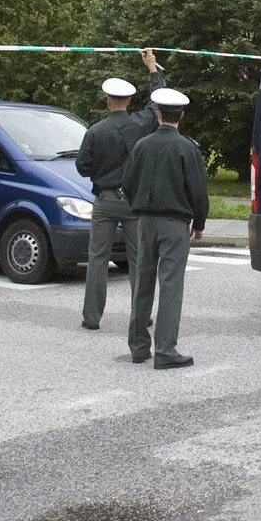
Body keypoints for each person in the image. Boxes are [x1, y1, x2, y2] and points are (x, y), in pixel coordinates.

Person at [74, 48, 164, 331]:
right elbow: (157, 102)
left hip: (104, 200)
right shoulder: (140, 123)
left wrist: (101, 172)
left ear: (107, 101)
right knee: (139, 261)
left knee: (98, 259)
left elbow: (81, 166)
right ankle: (142, 315)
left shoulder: (95, 131)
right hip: (134, 203)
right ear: (128, 101)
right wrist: (152, 69)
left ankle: (92, 318)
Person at [124, 87, 209, 370]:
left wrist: (139, 207)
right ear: (180, 115)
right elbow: (198, 191)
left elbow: (128, 183)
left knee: (142, 282)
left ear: (158, 114)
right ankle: (165, 349)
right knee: (170, 285)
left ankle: (138, 346)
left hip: (145, 221)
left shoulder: (141, 145)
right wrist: (199, 223)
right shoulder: (188, 148)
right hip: (175, 223)